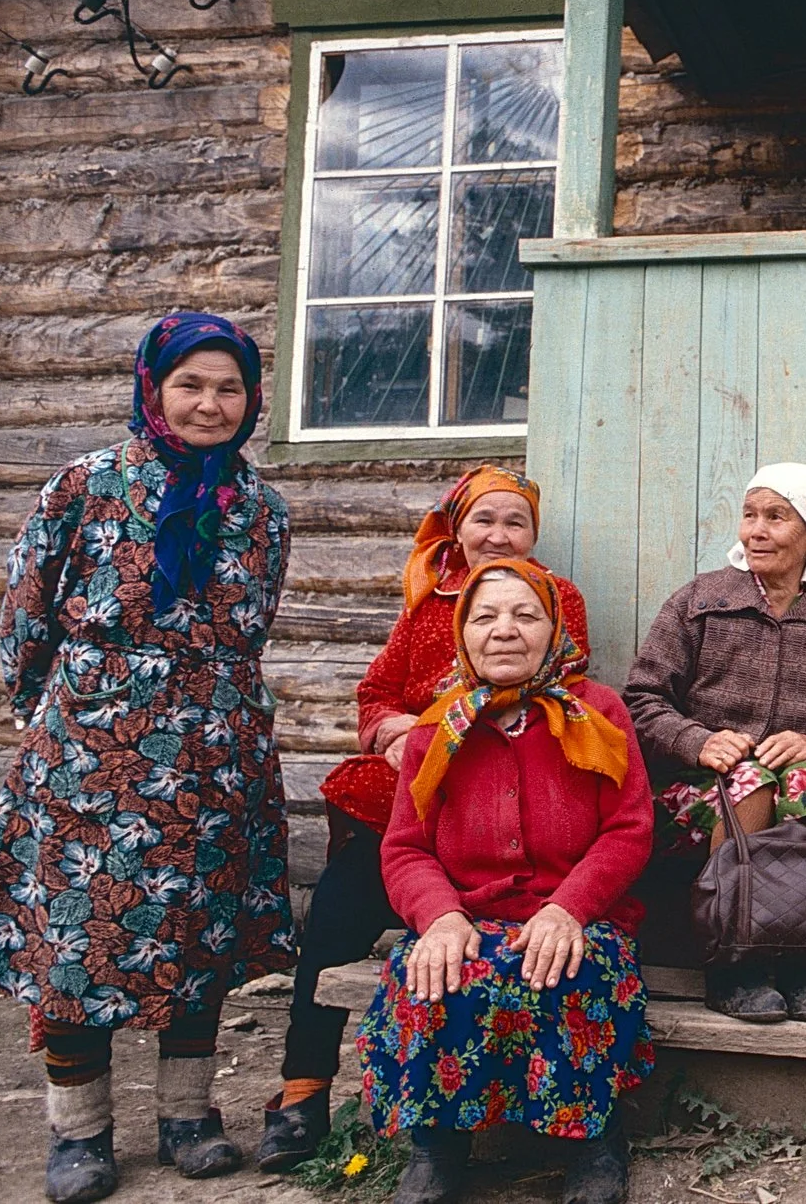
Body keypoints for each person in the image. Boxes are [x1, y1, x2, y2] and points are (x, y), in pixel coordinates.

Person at [0, 314, 293, 1204]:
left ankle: (188, 1116)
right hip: (91, 749)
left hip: (217, 750)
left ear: (250, 400)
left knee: (198, 930)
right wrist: (60, 719)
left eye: (229, 388)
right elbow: (23, 613)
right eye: (191, 385)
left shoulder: (259, 507)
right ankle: (80, 1133)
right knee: (77, 940)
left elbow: (252, 627)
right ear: (154, 389)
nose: (210, 404)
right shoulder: (87, 485)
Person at [256, 465, 589, 1173]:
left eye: (515, 524)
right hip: (405, 809)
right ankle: (303, 1089)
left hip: (493, 809)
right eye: (484, 521)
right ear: (458, 529)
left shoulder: (554, 601)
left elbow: (561, 683)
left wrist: (448, 727)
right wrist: (400, 731)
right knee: (335, 916)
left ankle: (496, 1117)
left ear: (533, 536)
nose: (498, 536)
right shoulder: (428, 607)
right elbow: (374, 693)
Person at [359, 560, 653, 1204]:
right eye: (485, 617)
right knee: (434, 971)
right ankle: (436, 1145)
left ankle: (593, 1143)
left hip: (577, 914)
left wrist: (569, 909)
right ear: (463, 633)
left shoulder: (598, 713)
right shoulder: (436, 730)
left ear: (555, 630)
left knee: (568, 970)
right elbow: (406, 848)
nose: (505, 632)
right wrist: (438, 916)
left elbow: (628, 830)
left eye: (525, 615)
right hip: (468, 914)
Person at [624, 463, 806, 1023]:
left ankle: (801, 956)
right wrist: (697, 740)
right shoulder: (702, 601)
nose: (755, 531)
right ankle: (731, 960)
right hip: (691, 798)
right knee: (750, 777)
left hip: (794, 797)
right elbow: (640, 700)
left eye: (776, 517)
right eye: (749, 515)